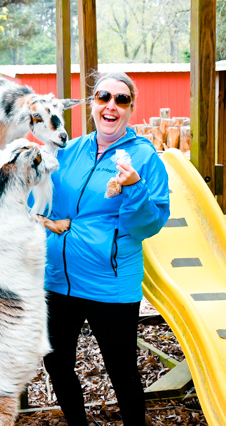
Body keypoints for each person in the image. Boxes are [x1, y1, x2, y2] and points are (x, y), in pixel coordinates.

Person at [39, 72, 170, 426]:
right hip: (58, 280)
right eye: (103, 96)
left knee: (122, 371)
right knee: (56, 362)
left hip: (109, 285)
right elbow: (45, 202)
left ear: (130, 109)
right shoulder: (71, 151)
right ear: (92, 104)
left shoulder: (143, 157)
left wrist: (134, 186)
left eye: (121, 99)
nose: (111, 105)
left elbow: (149, 224)